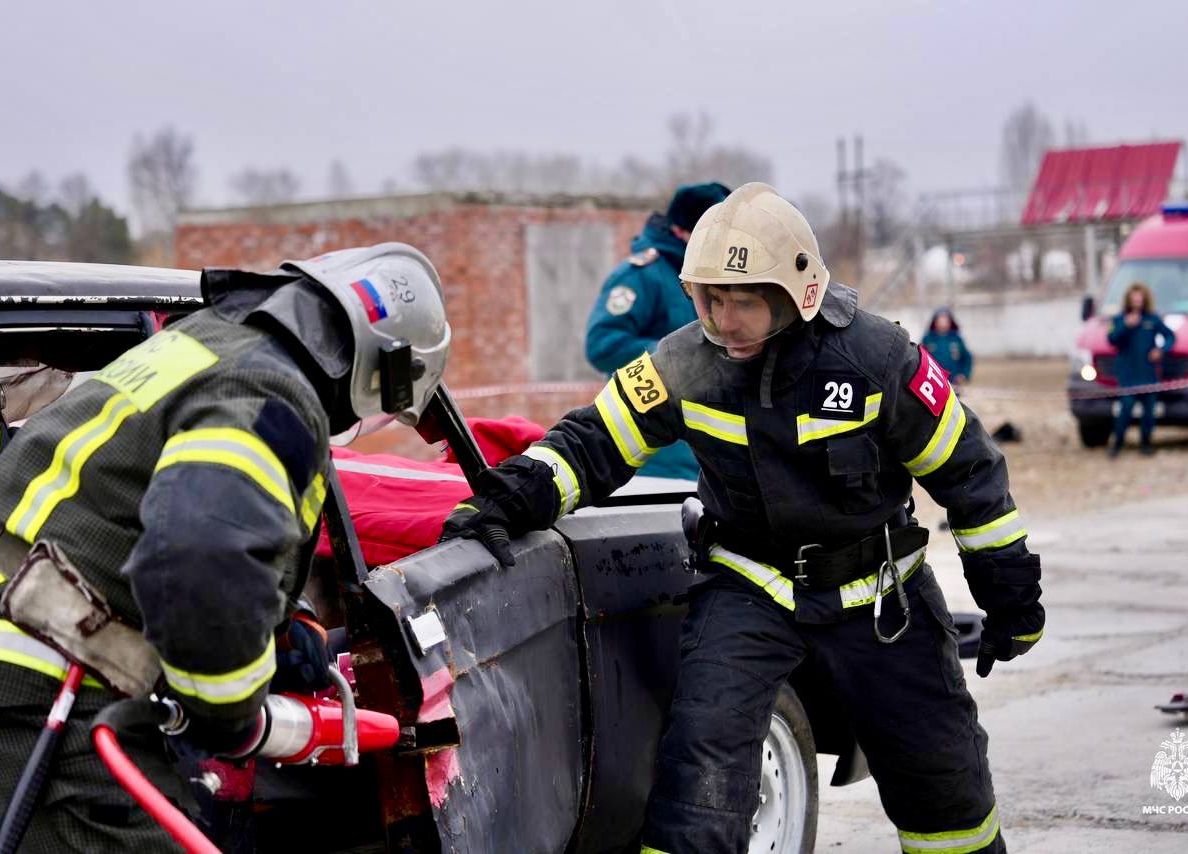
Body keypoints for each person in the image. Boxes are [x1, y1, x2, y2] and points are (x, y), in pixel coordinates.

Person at [443, 184, 1042, 853]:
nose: (725, 321)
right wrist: (512, 494)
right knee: (696, 789)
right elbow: (594, 442)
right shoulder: (684, 363)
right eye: (712, 300)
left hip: (880, 597)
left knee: (946, 791)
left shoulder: (877, 361)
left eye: (745, 302)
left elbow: (968, 471)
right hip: (746, 589)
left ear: (798, 297)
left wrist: (1010, 593)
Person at [0, 242, 451, 850]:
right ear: (385, 369)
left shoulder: (208, 344)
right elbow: (201, 559)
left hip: (18, 634)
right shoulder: (275, 397)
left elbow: (145, 504)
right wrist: (230, 712)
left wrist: (281, 625)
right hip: (38, 667)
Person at [584, 181, 730, 480]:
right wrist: (675, 360)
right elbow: (602, 345)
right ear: (683, 231)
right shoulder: (642, 275)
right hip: (658, 459)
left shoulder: (714, 277)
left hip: (705, 457)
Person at [1107, 281, 1174, 458]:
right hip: (1128, 374)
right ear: (1128, 301)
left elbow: (1170, 336)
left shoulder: (1152, 319)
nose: (1137, 303)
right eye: (1134, 300)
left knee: (1149, 413)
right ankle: (1117, 444)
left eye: (1140, 300)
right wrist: (1126, 326)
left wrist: (1161, 350)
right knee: (1126, 410)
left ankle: (1146, 444)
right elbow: (1112, 340)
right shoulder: (1119, 319)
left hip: (1148, 373)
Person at [922, 307, 973, 386]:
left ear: (950, 322)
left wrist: (964, 374)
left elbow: (967, 357)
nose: (942, 323)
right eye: (940, 321)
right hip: (933, 382)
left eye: (945, 321)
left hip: (953, 382)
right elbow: (921, 359)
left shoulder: (956, 339)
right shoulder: (928, 339)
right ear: (935, 322)